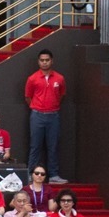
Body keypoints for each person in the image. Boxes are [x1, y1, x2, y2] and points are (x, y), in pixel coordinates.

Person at [26, 50, 67, 182]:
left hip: (53, 115)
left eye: (47, 60)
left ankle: (53, 175)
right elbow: (28, 97)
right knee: (35, 146)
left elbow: (61, 95)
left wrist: (52, 106)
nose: (44, 62)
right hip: (37, 115)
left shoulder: (59, 78)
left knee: (53, 146)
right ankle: (31, 174)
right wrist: (38, 107)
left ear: (52, 61)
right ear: (38, 62)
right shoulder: (32, 78)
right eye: (42, 60)